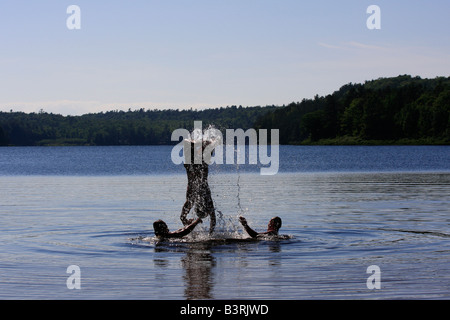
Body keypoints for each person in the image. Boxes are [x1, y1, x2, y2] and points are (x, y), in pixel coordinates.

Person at [180, 139, 217, 234]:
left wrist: (210, 233)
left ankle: (202, 143)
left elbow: (213, 219)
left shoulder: (196, 199)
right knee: (187, 143)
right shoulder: (192, 199)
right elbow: (182, 217)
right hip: (191, 167)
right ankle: (199, 143)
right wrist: (186, 222)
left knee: (210, 144)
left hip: (198, 167)